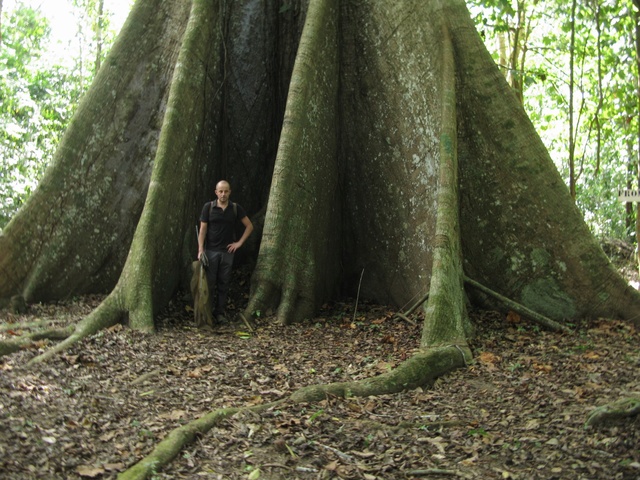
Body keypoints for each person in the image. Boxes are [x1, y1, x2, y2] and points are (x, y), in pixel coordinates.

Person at [197, 180, 253, 324]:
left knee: (223, 283)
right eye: (220, 191)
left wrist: (239, 243)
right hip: (210, 252)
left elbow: (249, 226)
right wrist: (200, 249)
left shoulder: (235, 208)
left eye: (226, 191)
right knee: (208, 283)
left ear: (230, 192)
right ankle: (206, 314)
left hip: (227, 253)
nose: (223, 194)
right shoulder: (208, 207)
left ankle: (219, 313)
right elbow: (202, 230)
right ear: (216, 192)